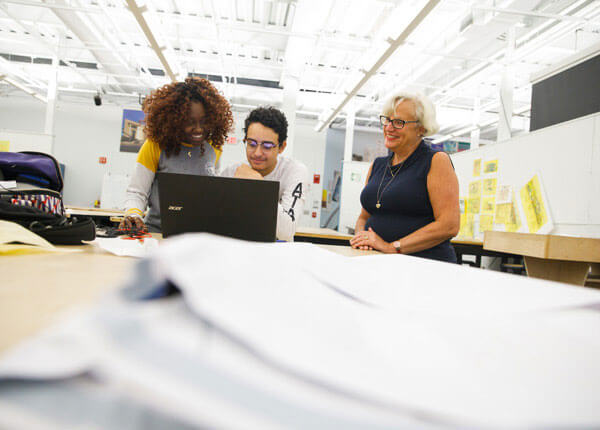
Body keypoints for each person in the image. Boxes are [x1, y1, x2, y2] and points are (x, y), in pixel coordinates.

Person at [349, 91, 459, 262]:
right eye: (387, 120)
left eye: (398, 122)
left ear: (421, 129)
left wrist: (392, 247)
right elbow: (364, 216)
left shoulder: (436, 161)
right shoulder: (377, 165)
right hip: (377, 261)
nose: (389, 127)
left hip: (423, 265)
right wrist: (361, 238)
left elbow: (449, 225)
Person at [120, 77, 233, 233]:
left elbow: (212, 192)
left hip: (198, 235)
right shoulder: (155, 145)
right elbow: (137, 192)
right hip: (158, 233)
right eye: (190, 122)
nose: (199, 129)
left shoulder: (215, 147)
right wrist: (133, 214)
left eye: (204, 121)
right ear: (175, 120)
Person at [220, 107, 308, 242]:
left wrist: (259, 185)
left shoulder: (294, 171)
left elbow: (287, 231)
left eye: (267, 146)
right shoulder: (232, 173)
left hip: (275, 252)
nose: (257, 153)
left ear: (282, 147)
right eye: (251, 144)